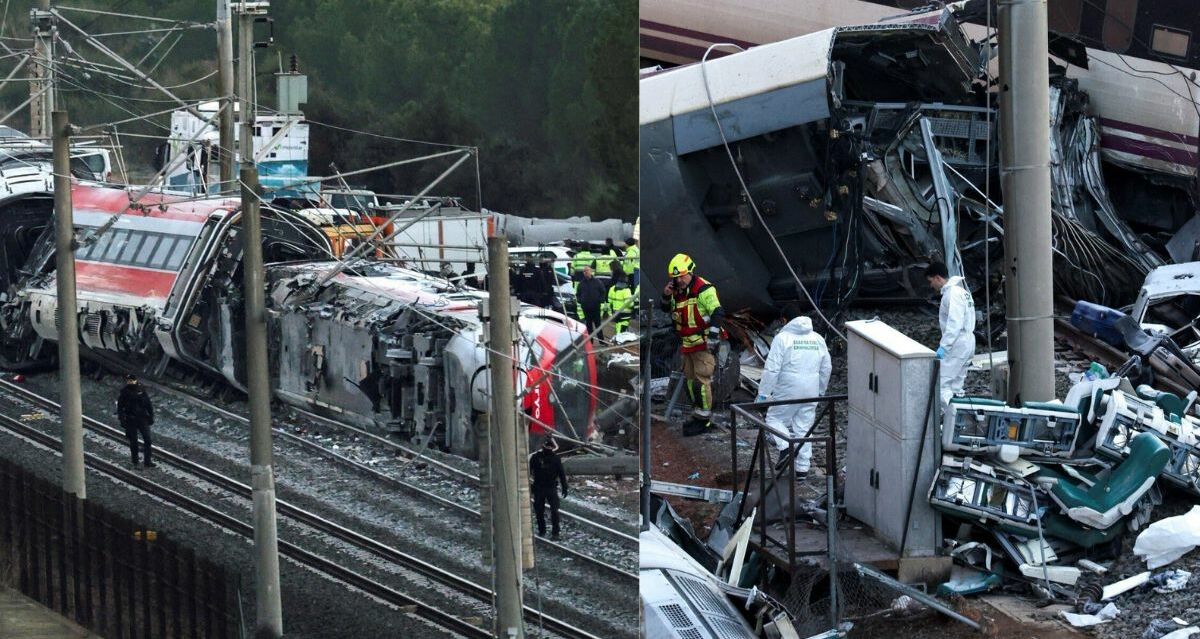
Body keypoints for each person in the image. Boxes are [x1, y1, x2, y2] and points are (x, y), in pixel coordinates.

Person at [756, 316, 831, 479]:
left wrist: (764, 393)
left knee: (774, 419)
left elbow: (772, 368)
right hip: (812, 386)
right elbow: (826, 367)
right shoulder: (817, 338)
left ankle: (785, 447)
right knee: (804, 426)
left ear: (786, 321)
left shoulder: (782, 338)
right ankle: (802, 469)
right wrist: (821, 390)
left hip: (788, 387)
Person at [661, 253, 726, 436]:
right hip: (688, 344)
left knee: (701, 381)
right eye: (675, 277)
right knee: (690, 382)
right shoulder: (677, 291)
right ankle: (698, 413)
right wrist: (665, 296)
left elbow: (718, 313)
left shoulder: (704, 290)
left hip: (703, 344)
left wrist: (713, 337)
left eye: (682, 276)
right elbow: (667, 309)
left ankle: (704, 418)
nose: (679, 280)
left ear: (690, 272)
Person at [926, 261, 976, 405]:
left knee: (941, 384)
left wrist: (944, 347)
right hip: (968, 341)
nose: (931, 286)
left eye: (930, 281)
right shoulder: (963, 292)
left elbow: (954, 324)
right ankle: (957, 422)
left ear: (937, 278)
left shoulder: (952, 294)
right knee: (956, 386)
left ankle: (947, 421)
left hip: (958, 343)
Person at [530, 437, 568, 539]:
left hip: (551, 488)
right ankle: (542, 531)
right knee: (539, 511)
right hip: (539, 488)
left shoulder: (555, 458)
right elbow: (528, 471)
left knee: (554, 511)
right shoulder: (536, 458)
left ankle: (555, 533)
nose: (549, 449)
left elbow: (561, 473)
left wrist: (565, 487)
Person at [117, 374, 155, 468]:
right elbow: (120, 407)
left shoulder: (141, 390)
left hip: (142, 418)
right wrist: (122, 420)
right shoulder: (125, 392)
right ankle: (135, 462)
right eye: (128, 380)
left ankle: (147, 461)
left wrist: (151, 416)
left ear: (135, 380)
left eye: (131, 380)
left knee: (148, 440)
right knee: (134, 442)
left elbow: (148, 404)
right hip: (131, 419)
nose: (130, 382)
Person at [575, 266, 607, 338]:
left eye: (587, 270)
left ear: (591, 271)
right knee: (588, 325)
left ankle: (601, 341)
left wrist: (600, 300)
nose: (585, 272)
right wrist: (580, 301)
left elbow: (603, 292)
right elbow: (578, 294)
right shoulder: (581, 283)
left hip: (595, 306)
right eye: (584, 271)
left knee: (598, 324)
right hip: (586, 307)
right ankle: (590, 341)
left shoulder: (597, 282)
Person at [606, 268, 634, 335]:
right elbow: (629, 303)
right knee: (622, 328)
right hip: (625, 313)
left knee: (618, 325)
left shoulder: (612, 288)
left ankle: (617, 338)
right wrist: (634, 305)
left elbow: (609, 301)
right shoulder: (626, 290)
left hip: (615, 312)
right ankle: (619, 340)